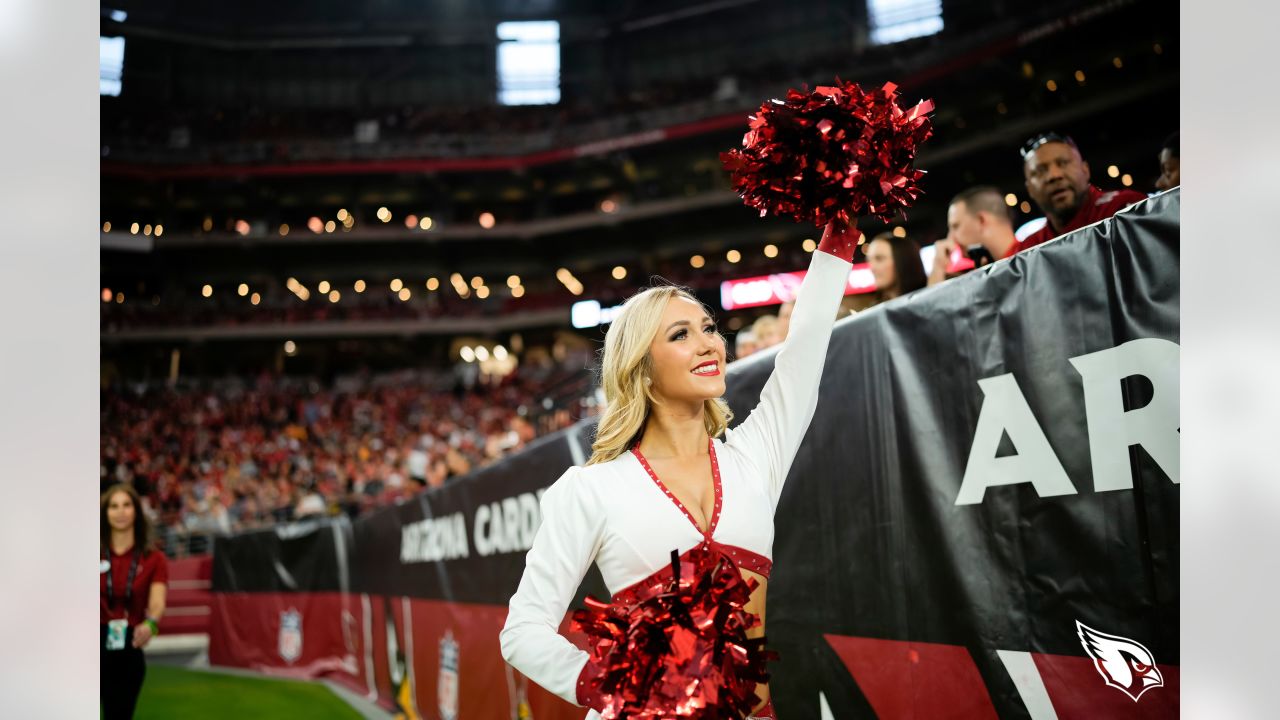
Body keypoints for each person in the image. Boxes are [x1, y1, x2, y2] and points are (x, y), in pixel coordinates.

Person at [500, 220, 859, 720]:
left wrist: (841, 225)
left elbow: (806, 348)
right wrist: (617, 688)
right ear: (641, 367)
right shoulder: (592, 489)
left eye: (709, 328)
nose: (709, 343)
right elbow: (522, 631)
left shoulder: (754, 457)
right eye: (681, 335)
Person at [101, 483, 169, 720]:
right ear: (105, 512)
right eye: (114, 506)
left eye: (126, 505)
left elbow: (158, 601)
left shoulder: (154, 558)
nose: (120, 512)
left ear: (136, 512)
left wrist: (151, 624)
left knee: (119, 714)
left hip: (130, 642)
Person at [1019, 132, 1147, 250]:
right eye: (1041, 170)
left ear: (1085, 170)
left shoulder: (1125, 209)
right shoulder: (1028, 251)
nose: (1054, 175)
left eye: (1063, 163)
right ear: (1029, 189)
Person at [928, 186, 1020, 286]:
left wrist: (938, 267)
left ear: (981, 220)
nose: (950, 238)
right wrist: (939, 267)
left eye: (955, 226)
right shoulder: (981, 273)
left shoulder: (1035, 254)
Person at [864, 231, 927, 303]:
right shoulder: (874, 311)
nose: (872, 268)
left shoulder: (928, 301)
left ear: (904, 260)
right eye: (869, 260)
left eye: (879, 259)